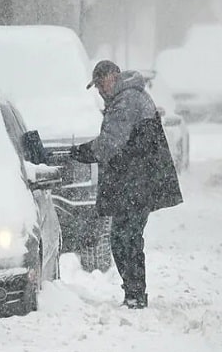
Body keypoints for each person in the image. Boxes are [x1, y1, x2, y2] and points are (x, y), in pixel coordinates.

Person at [71, 59, 183, 309]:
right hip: (137, 181)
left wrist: (78, 152)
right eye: (97, 85)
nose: (100, 90)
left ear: (115, 76)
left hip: (138, 182)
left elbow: (110, 143)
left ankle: (135, 294)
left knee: (126, 238)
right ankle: (134, 292)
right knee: (126, 237)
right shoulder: (126, 98)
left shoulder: (127, 100)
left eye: (102, 83)